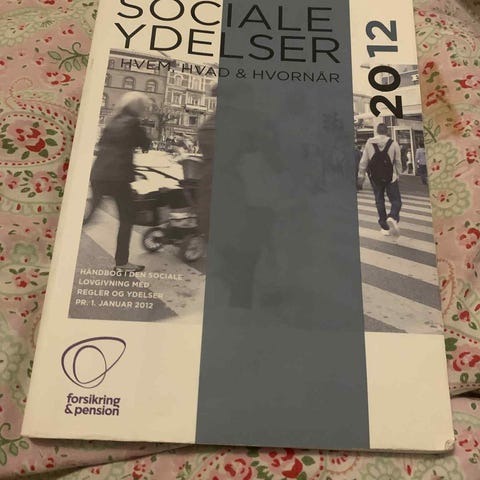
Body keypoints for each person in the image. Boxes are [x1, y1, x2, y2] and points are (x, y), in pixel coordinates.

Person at [85, 91, 151, 272]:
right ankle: (122, 263)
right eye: (144, 107)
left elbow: (104, 146)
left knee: (88, 217)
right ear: (138, 107)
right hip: (118, 178)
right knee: (127, 218)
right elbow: (145, 144)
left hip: (98, 174)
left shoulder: (111, 121)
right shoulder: (134, 123)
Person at [357, 123, 403, 236]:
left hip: (375, 177)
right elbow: (398, 161)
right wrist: (398, 174)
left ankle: (384, 226)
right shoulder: (393, 143)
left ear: (377, 131)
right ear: (387, 131)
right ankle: (392, 216)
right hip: (390, 176)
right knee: (396, 200)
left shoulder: (369, 143)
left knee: (379, 200)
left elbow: (364, 161)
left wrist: (361, 175)